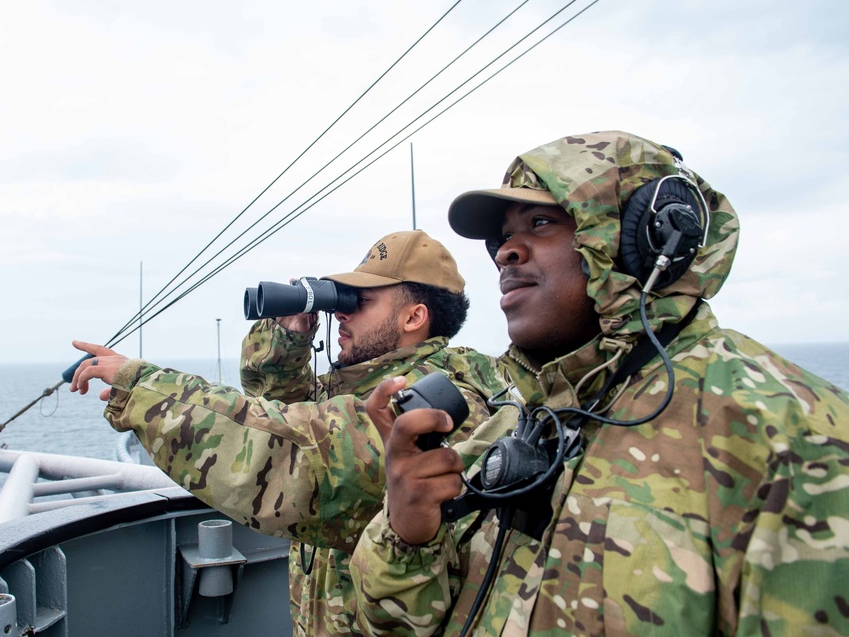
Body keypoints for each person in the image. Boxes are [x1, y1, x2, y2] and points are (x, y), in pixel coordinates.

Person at [350, 130, 849, 636]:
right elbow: (392, 626)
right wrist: (407, 535)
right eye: (501, 239)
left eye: (540, 223)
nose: (505, 254)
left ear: (644, 241)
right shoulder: (523, 428)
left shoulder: (786, 435)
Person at [70, 229, 510, 636]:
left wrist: (144, 385)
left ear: (414, 317)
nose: (340, 312)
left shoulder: (436, 401)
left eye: (362, 301)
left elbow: (294, 457)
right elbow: (280, 404)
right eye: (343, 298)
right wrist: (288, 339)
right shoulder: (365, 387)